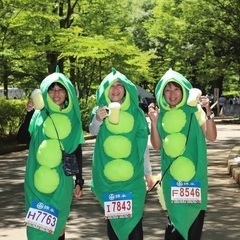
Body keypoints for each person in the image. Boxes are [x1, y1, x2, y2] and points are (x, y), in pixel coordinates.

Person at [148, 69, 217, 240]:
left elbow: (211, 136)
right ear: (162, 93)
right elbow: (156, 146)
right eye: (168, 90)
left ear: (184, 90)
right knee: (174, 227)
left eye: (176, 89)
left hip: (195, 180)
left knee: (193, 226)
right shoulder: (161, 114)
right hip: (173, 181)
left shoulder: (195, 111)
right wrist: (154, 122)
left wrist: (208, 111)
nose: (172, 94)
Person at [17, 69, 85, 240]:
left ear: (67, 93)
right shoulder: (39, 114)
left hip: (62, 182)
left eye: (60, 89)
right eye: (52, 89)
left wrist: (79, 180)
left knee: (58, 227)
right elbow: (22, 137)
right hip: (36, 181)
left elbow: (76, 150)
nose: (56, 93)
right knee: (37, 227)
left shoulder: (73, 118)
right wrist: (29, 114)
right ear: (46, 92)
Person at [89, 67, 155, 240]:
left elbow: (142, 145)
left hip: (133, 180)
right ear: (105, 90)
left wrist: (148, 173)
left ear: (126, 88)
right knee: (114, 224)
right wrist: (97, 119)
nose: (116, 90)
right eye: (111, 86)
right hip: (109, 180)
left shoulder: (136, 113)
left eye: (119, 86)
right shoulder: (100, 110)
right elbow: (93, 131)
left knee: (135, 225)